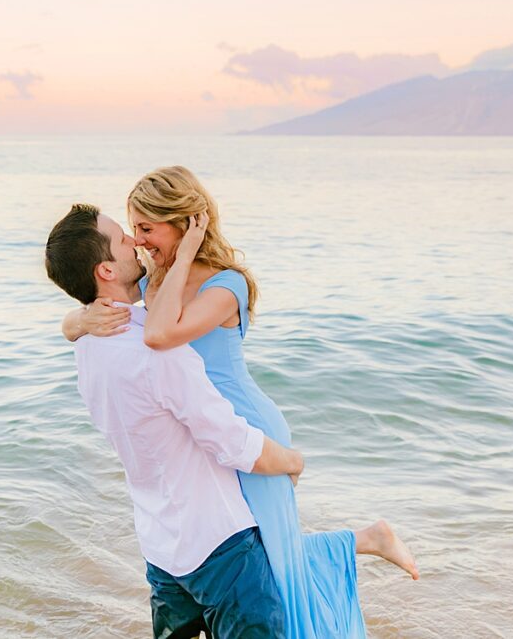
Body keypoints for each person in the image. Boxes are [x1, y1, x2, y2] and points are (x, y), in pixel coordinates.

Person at [63, 167, 418, 639]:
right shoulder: (153, 285)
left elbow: (159, 335)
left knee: (270, 559)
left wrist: (188, 252)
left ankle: (359, 550)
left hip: (245, 427)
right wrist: (80, 318)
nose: (139, 240)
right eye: (133, 229)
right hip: (197, 424)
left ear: (185, 223)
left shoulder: (225, 286)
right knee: (261, 555)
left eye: (147, 228)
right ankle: (366, 538)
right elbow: (98, 325)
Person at [46, 203, 311, 638]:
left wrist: (75, 319)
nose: (134, 242)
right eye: (122, 239)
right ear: (106, 271)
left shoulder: (87, 347)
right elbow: (231, 441)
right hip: (218, 544)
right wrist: (292, 461)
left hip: (160, 546)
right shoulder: (156, 354)